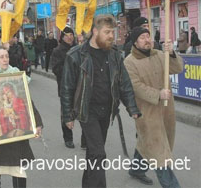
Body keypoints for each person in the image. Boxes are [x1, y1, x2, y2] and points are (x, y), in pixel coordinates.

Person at [60, 14, 141, 188]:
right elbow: (66, 88)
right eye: (107, 32)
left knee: (93, 154)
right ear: (95, 32)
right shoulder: (76, 55)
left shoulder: (115, 55)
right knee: (98, 154)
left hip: (107, 111)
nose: (111, 36)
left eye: (113, 32)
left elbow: (124, 83)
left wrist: (132, 107)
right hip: (87, 111)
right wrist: (68, 116)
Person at [124, 26, 184, 187]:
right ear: (135, 42)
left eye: (148, 36)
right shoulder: (129, 62)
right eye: (142, 37)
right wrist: (158, 94)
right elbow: (135, 86)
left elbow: (177, 68)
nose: (147, 40)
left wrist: (171, 53)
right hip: (147, 112)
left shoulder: (158, 54)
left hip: (166, 110)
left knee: (147, 143)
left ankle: (136, 169)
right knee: (159, 152)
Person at [0, 46, 43, 188]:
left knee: (19, 171)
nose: (5, 59)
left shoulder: (16, 75)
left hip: (17, 136)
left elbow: (27, 103)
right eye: (1, 57)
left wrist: (36, 123)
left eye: (7, 56)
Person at [50, 26, 86, 149]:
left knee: (84, 112)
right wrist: (69, 67)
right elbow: (55, 69)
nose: (69, 37)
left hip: (81, 86)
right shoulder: (58, 51)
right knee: (67, 113)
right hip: (66, 87)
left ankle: (85, 139)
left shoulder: (80, 48)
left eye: (71, 35)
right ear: (62, 37)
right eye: (67, 35)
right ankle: (68, 138)